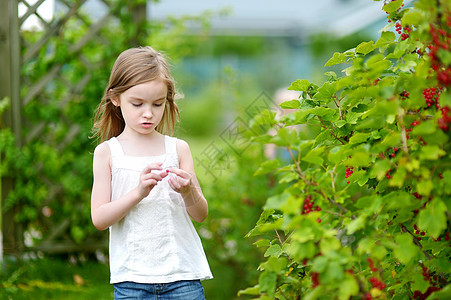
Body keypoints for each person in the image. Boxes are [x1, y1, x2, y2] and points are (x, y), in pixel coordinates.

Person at [90, 46, 213, 299]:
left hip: (183, 278)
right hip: (131, 281)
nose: (148, 113)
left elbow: (200, 214)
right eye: (137, 104)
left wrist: (189, 191)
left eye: (157, 104)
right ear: (115, 98)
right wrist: (138, 192)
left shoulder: (178, 149)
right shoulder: (107, 153)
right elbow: (100, 219)